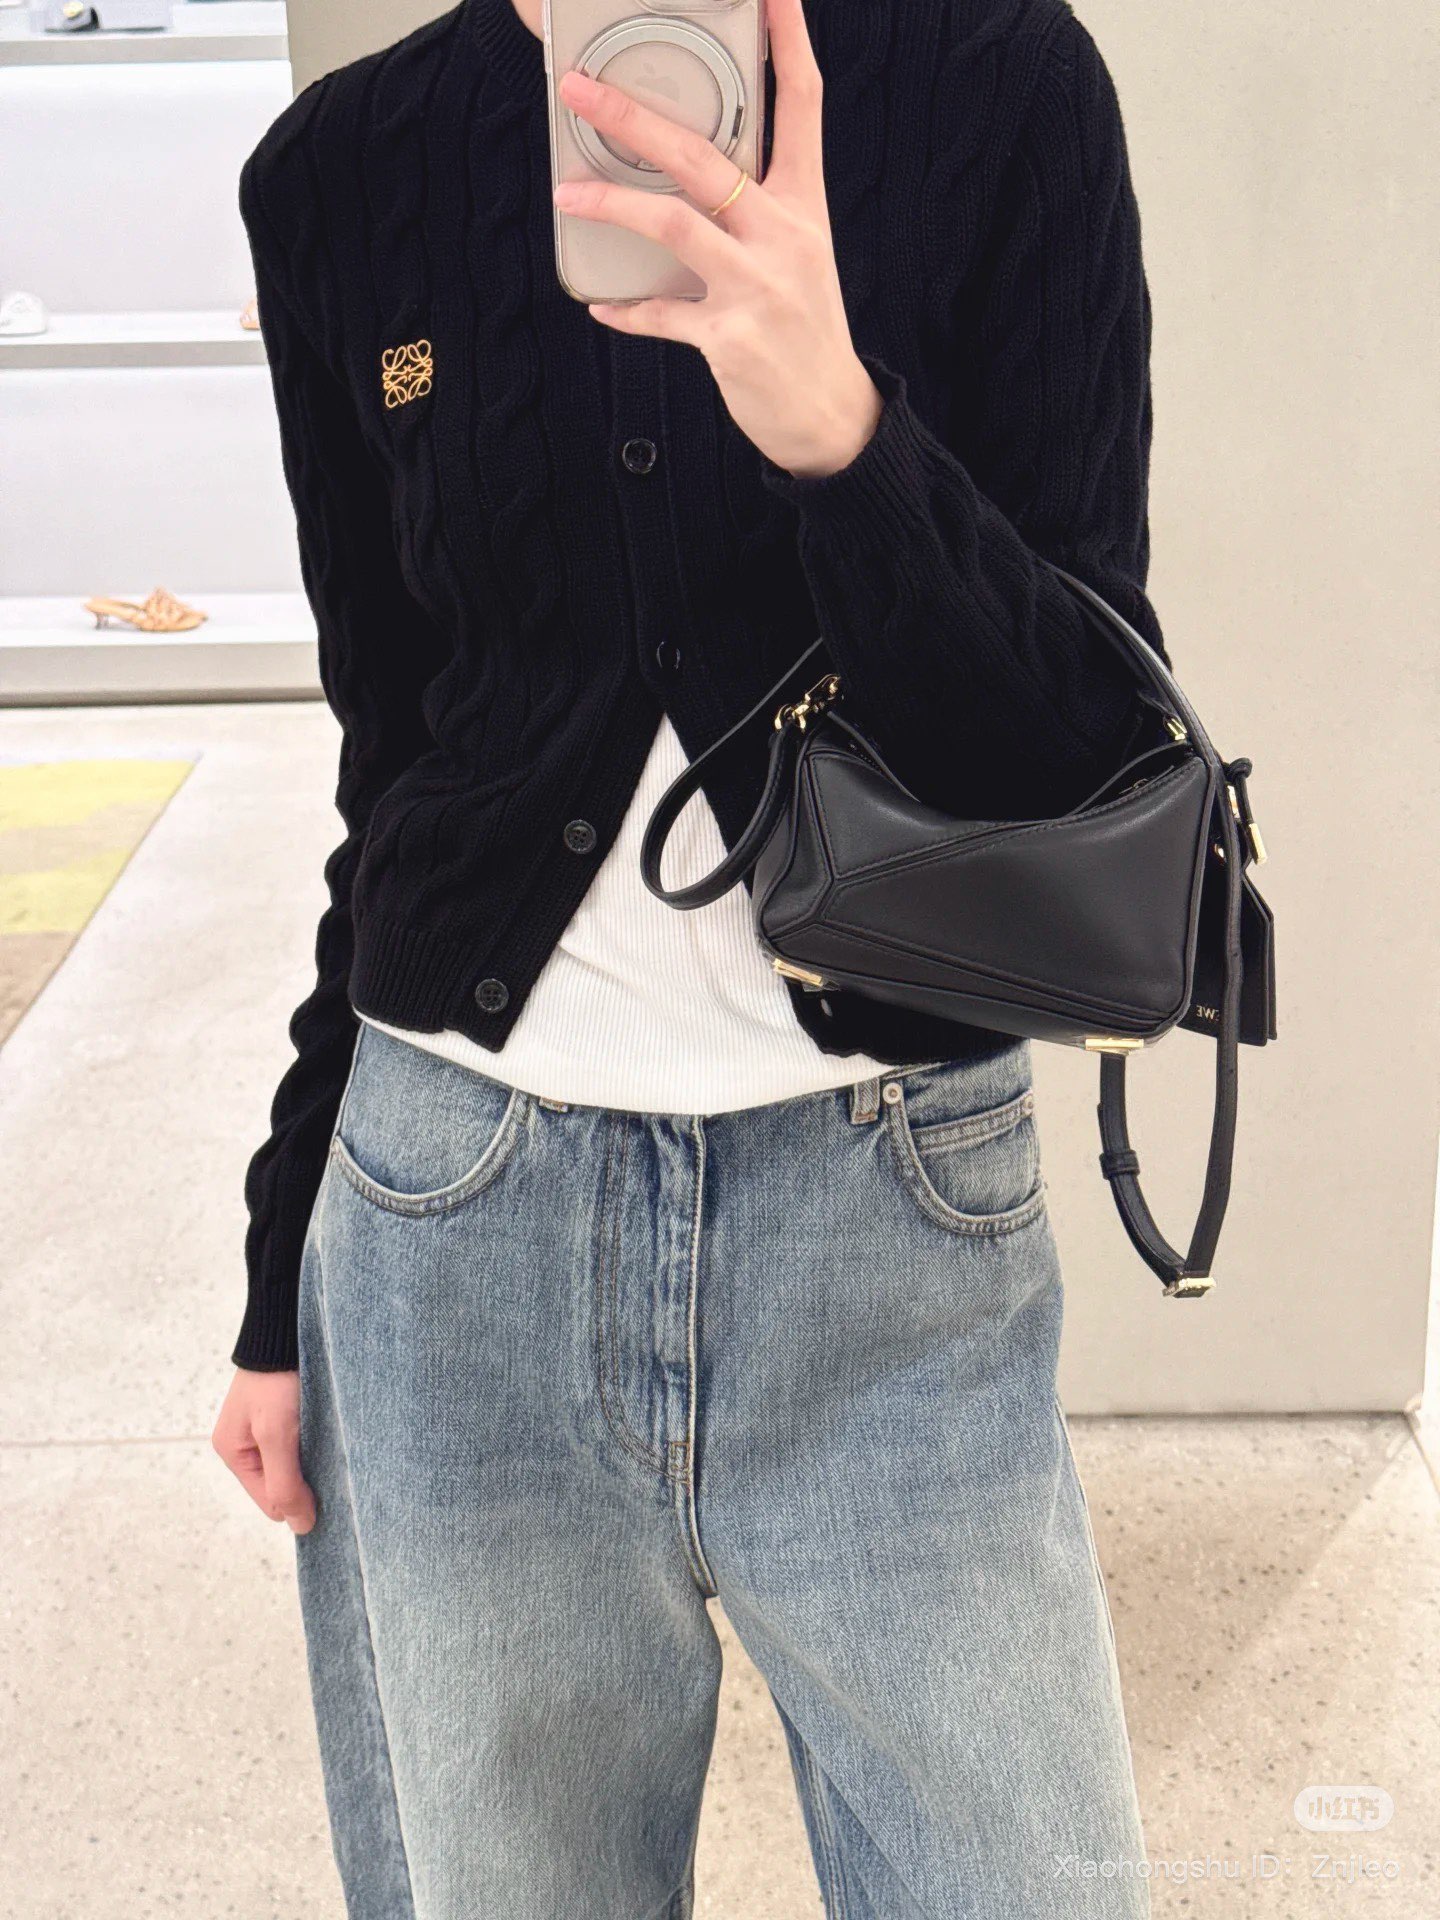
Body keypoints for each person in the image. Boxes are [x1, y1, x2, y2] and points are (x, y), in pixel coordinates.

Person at [212, 0, 1164, 1911]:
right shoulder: (344, 172)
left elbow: (1087, 744)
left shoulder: (999, 82)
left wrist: (846, 439)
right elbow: (391, 771)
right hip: (448, 1233)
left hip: (892, 1221)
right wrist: (275, 1276)